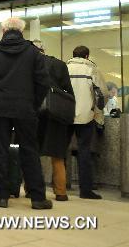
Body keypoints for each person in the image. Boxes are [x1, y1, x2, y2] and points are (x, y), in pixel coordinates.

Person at [0, 18, 52, 209]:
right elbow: (43, 82)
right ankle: (37, 198)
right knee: (29, 151)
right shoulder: (33, 52)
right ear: (22, 31)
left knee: (0, 150)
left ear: (3, 30)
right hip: (25, 109)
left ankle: (2, 196)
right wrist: (33, 103)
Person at [32, 40, 74, 202]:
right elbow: (69, 92)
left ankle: (32, 188)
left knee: (33, 153)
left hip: (36, 113)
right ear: (43, 49)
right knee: (57, 155)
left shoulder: (29, 64)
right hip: (57, 114)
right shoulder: (60, 64)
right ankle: (61, 192)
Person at [66, 45, 107, 199]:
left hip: (66, 115)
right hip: (86, 116)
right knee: (84, 152)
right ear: (87, 56)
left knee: (62, 151)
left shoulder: (65, 68)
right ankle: (85, 190)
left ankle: (60, 187)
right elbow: (102, 93)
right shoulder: (92, 70)